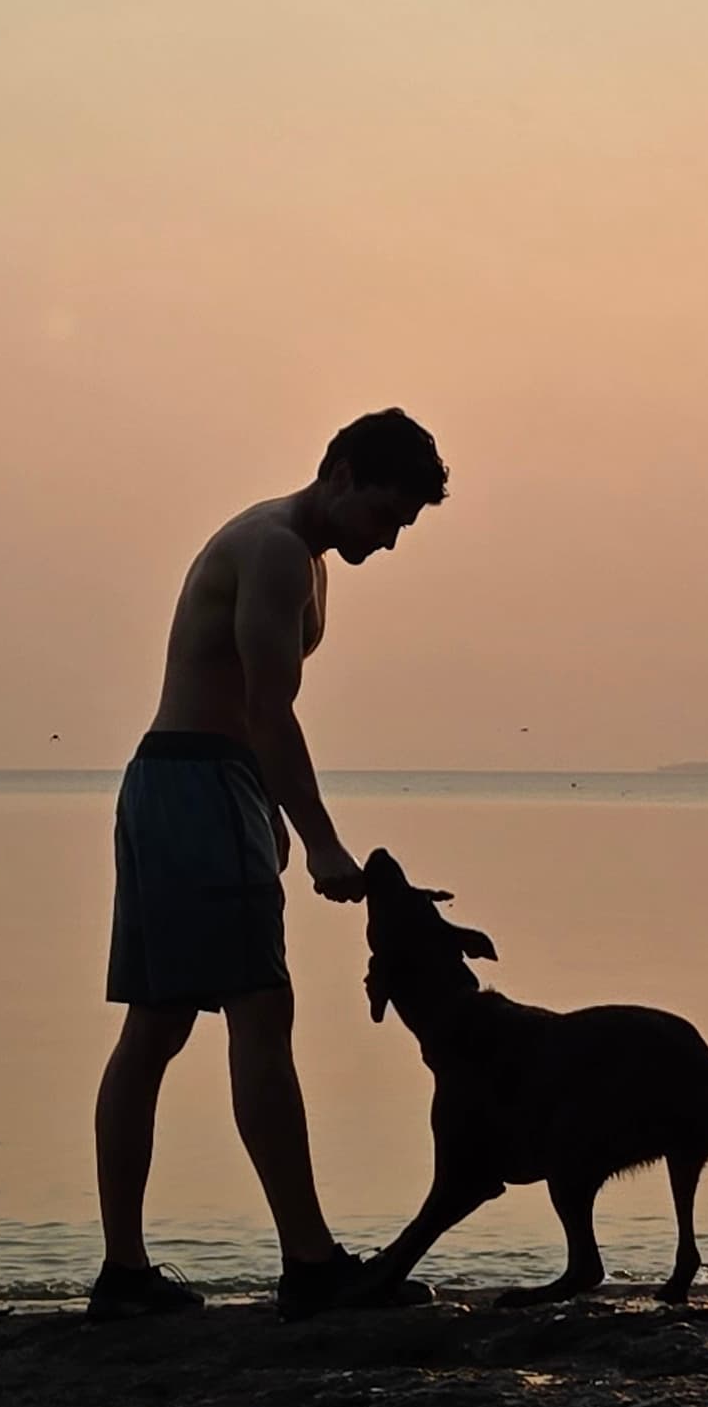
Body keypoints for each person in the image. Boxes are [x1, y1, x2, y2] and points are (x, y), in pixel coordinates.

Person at [90, 409, 449, 1322]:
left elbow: (255, 722)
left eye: (404, 524)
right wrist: (320, 837)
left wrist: (267, 816)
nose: (390, 538)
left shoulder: (308, 557)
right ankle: (309, 1263)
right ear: (338, 472)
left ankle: (130, 1275)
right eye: (385, 513)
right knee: (251, 1014)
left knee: (161, 1026)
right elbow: (266, 709)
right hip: (193, 786)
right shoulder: (277, 550)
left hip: (203, 788)